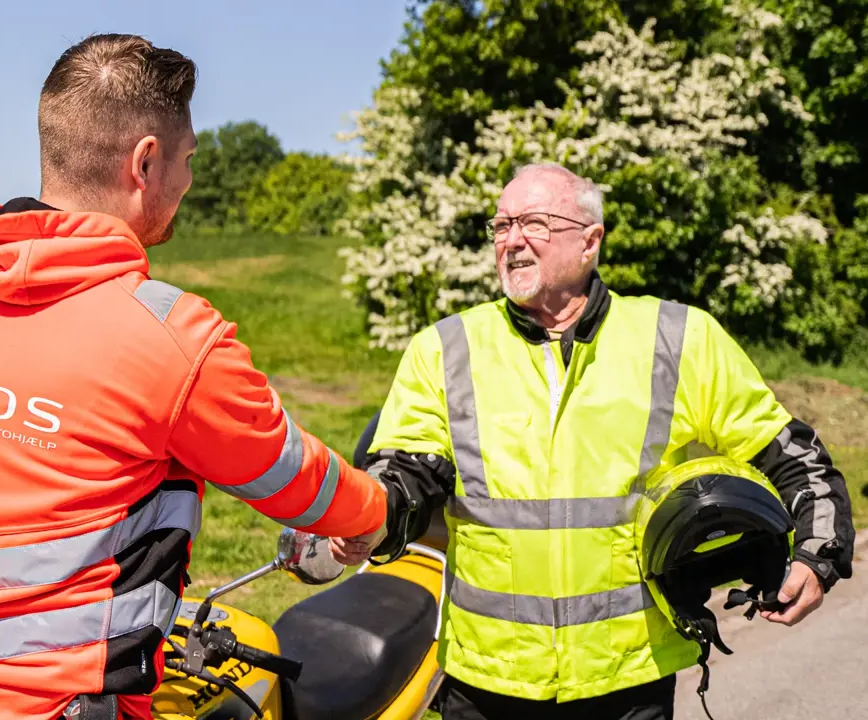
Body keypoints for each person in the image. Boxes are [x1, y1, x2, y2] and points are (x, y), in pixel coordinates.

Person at [0, 33, 386, 720]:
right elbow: (295, 479)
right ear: (145, 163)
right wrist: (377, 512)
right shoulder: (173, 339)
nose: (189, 181)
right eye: (188, 160)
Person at [331, 163, 855, 720]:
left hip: (628, 677)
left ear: (590, 240)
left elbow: (788, 453)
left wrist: (818, 551)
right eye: (502, 225)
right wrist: (370, 515)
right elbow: (405, 469)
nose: (512, 240)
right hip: (485, 680)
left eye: (533, 222)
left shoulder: (678, 339)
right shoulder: (444, 347)